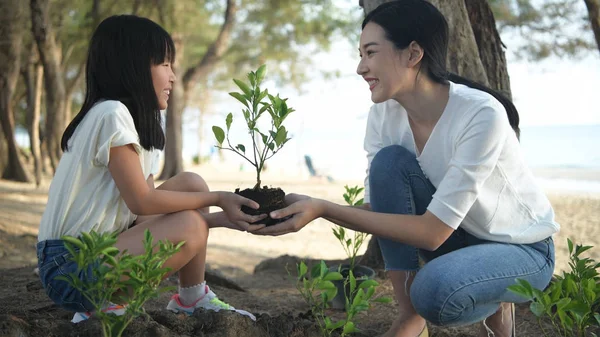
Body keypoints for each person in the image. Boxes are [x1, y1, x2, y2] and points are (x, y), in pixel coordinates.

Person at [254, 1, 559, 337]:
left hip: (522, 250)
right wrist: (308, 207)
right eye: (360, 54)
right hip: (459, 240)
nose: (360, 67)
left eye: (370, 53)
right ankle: (409, 315)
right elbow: (380, 209)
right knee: (388, 163)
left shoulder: (479, 114)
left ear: (413, 54)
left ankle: (495, 297)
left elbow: (431, 233)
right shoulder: (385, 114)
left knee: (433, 291)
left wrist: (324, 209)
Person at [36, 15, 264, 324]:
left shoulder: (131, 121)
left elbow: (142, 218)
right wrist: (220, 198)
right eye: (165, 65)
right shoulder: (110, 114)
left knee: (191, 184)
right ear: (133, 66)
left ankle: (191, 298)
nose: (172, 76)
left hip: (96, 250)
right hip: (69, 265)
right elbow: (142, 202)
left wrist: (219, 219)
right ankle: (101, 307)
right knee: (192, 219)